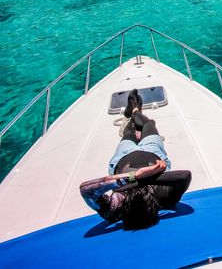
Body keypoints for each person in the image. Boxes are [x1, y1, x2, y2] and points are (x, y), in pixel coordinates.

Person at [79, 89, 191, 230]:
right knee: (149, 124)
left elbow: (86, 190)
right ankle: (136, 112)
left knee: (130, 131)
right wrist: (147, 177)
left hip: (124, 155)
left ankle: (132, 113)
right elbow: (185, 176)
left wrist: (135, 177)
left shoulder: (114, 209)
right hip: (153, 150)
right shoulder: (165, 198)